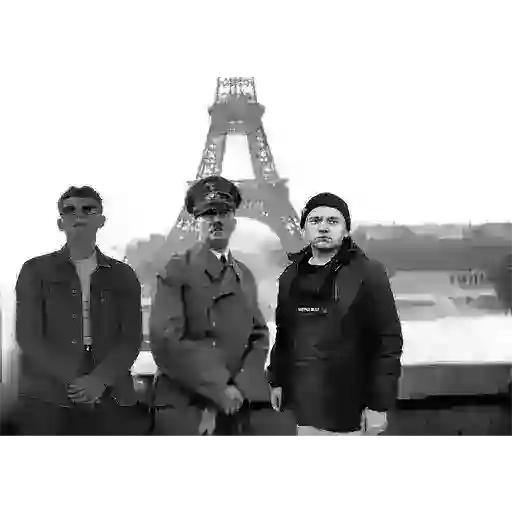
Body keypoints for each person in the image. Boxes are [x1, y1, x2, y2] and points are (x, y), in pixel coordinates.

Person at [149, 175, 295, 439]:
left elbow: (258, 336)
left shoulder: (244, 275)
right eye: (208, 214)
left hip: (234, 408)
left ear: (234, 221)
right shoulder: (175, 269)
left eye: (224, 213)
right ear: (196, 222)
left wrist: (238, 389)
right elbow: (166, 341)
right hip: (186, 408)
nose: (217, 220)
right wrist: (219, 389)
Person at [14, 186, 148, 439]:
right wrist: (75, 380)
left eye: (88, 210)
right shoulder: (35, 270)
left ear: (101, 221)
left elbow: (130, 338)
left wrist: (100, 380)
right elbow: (28, 336)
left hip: (109, 390)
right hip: (48, 393)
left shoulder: (123, 275)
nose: (79, 216)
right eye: (70, 210)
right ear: (60, 223)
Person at [267, 192, 403, 440]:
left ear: (346, 230)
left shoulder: (368, 273)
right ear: (304, 229)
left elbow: (388, 340)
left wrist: (378, 404)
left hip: (353, 409)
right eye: (315, 220)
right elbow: (285, 334)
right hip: (305, 407)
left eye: (332, 221)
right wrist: (277, 379)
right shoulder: (290, 276)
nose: (323, 227)